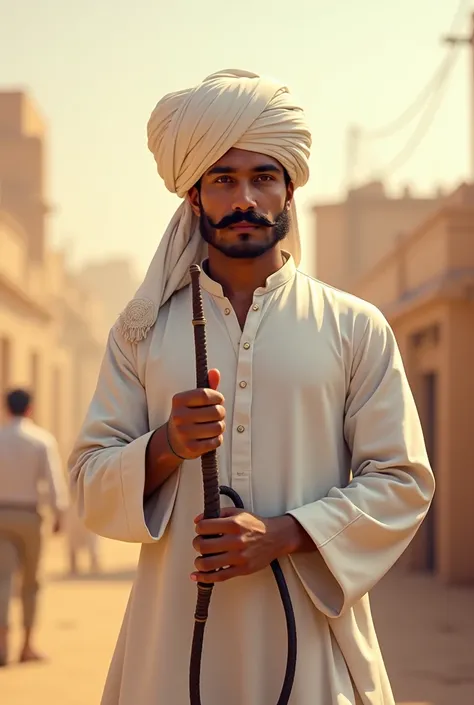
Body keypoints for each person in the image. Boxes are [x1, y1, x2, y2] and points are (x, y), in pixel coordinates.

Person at [68, 69, 435, 705]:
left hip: (312, 652)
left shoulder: (354, 327)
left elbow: (403, 480)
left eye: (263, 177)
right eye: (223, 179)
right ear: (193, 199)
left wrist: (286, 533)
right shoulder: (143, 333)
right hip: (170, 652)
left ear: (289, 192)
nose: (245, 198)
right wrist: (164, 446)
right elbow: (87, 482)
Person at [0, 388, 68, 666]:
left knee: (2, 580)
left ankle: (2, 645)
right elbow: (54, 483)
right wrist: (58, 516)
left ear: (6, 408)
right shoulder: (41, 439)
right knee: (31, 583)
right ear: (31, 409)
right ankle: (27, 646)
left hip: (1, 515)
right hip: (30, 516)